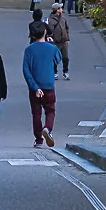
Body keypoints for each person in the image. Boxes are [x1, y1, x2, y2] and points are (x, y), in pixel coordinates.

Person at [23, 20, 62, 148]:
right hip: (49, 85)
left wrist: (34, 87)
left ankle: (38, 139)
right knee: (50, 110)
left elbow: (26, 69)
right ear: (45, 32)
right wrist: (52, 43)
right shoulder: (52, 48)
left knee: (36, 112)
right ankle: (48, 128)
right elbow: (58, 60)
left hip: (35, 86)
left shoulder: (29, 50)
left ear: (33, 35)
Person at [49, 1, 71, 80]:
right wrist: (51, 39)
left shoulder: (63, 19)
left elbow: (66, 28)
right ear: (57, 10)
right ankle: (55, 72)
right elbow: (50, 31)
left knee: (65, 58)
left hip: (64, 41)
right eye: (60, 8)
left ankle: (65, 71)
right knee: (55, 58)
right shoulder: (51, 20)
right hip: (55, 42)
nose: (61, 9)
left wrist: (67, 38)